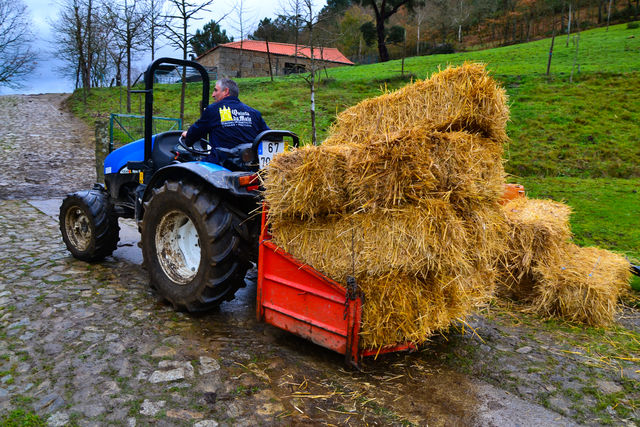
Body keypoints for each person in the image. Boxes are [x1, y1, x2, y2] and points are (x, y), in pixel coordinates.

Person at [181, 78, 269, 164]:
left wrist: (188, 136)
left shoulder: (213, 110)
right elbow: (269, 135)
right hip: (249, 164)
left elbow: (196, 131)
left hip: (222, 163)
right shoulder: (254, 113)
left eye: (216, 90)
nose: (213, 95)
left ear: (226, 91)